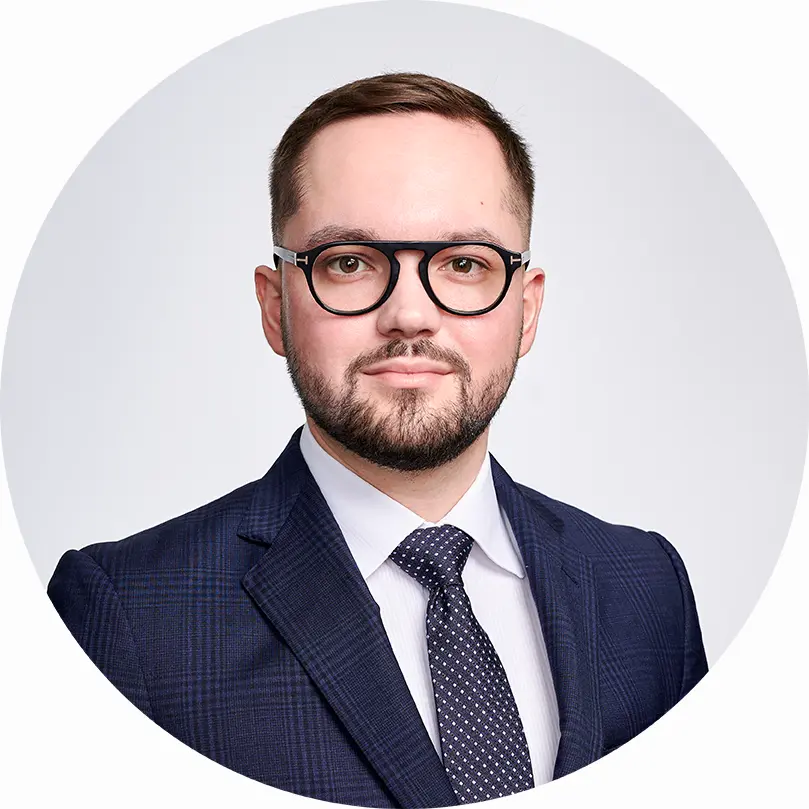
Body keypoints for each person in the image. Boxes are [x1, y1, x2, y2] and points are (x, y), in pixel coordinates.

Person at [48, 72, 708, 808]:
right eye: (350, 262)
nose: (409, 314)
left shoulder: (645, 586)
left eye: (463, 264)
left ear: (526, 310)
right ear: (275, 308)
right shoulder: (129, 615)